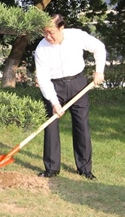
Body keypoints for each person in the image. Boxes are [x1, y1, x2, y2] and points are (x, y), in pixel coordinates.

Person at [33, 14, 106, 180]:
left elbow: (99, 48)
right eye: (45, 33)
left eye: (51, 32)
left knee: (81, 125)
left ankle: (85, 169)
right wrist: (54, 102)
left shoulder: (77, 36)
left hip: (78, 84)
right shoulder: (41, 48)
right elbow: (43, 78)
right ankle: (51, 168)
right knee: (50, 125)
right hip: (54, 86)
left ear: (61, 27)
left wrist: (99, 71)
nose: (48, 36)